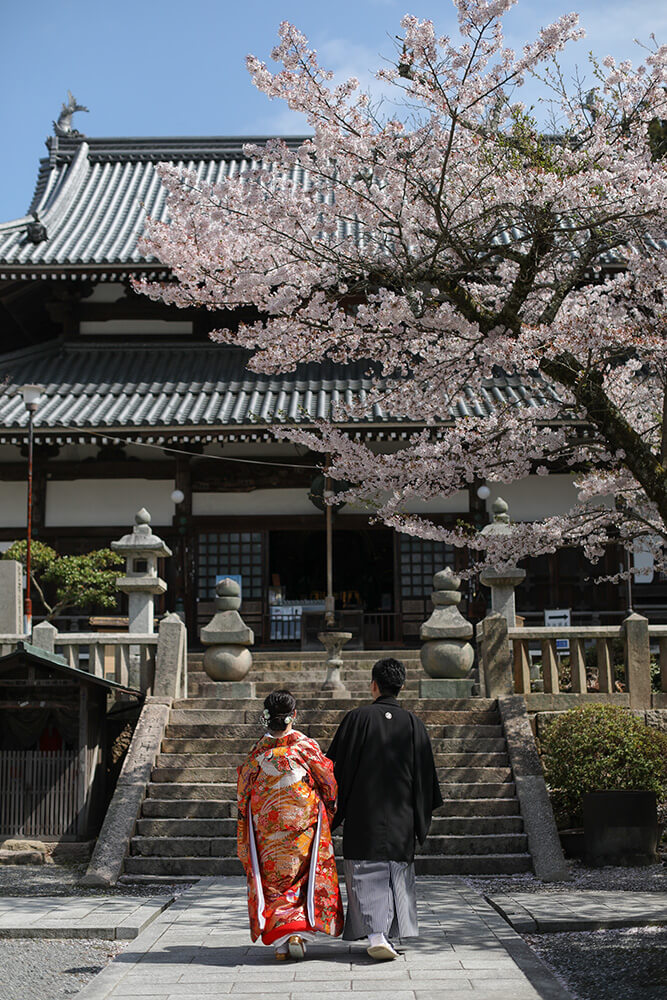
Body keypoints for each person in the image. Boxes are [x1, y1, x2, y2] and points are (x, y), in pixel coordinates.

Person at [327, 657, 443, 961]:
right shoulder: (415, 724)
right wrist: (420, 816)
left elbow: (335, 768)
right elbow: (426, 778)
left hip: (364, 812)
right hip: (402, 814)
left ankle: (378, 934)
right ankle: (383, 934)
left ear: (374, 685)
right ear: (402, 686)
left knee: (366, 871)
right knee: (395, 870)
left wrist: (332, 811)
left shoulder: (357, 718)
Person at [237, 689, 344, 960]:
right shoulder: (305, 747)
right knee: (301, 877)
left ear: (267, 718)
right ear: (293, 715)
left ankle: (281, 945)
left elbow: (244, 790)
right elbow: (328, 783)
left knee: (273, 881)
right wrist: (328, 812)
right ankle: (296, 932)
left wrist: (247, 820)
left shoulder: (258, 751)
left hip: (267, 828)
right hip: (302, 826)